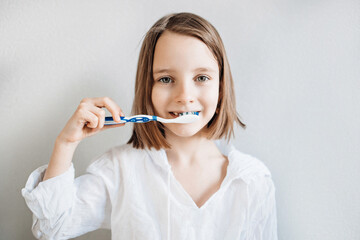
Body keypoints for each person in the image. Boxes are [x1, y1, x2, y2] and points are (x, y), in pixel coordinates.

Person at [22, 12, 278, 240]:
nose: (185, 95)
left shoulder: (252, 181)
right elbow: (51, 229)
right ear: (148, 88)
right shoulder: (120, 170)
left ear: (221, 88)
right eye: (166, 79)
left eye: (201, 77)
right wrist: (66, 144)